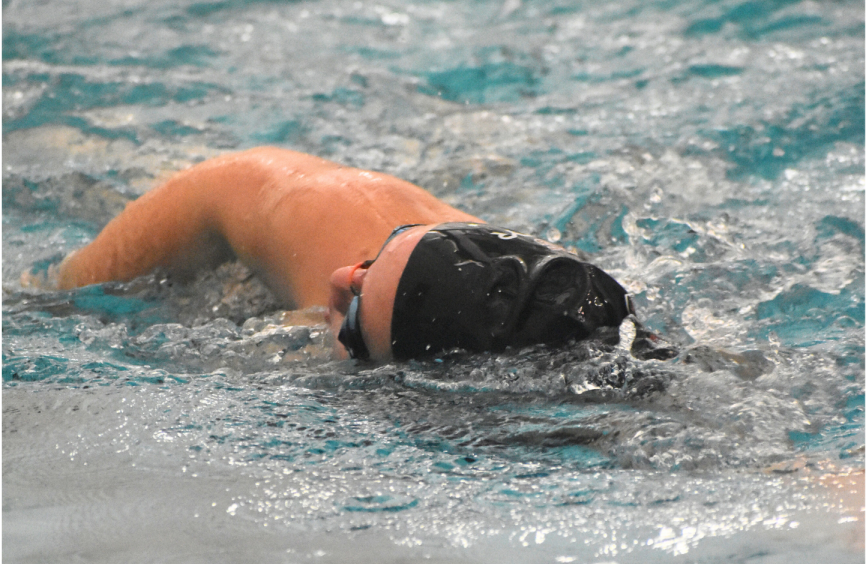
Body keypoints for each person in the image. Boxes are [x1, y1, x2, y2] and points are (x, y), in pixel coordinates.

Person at [51, 145, 636, 363]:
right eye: (370, 263)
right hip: (223, 188)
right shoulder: (286, 204)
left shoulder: (565, 305)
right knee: (54, 295)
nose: (338, 277)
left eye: (352, 312)